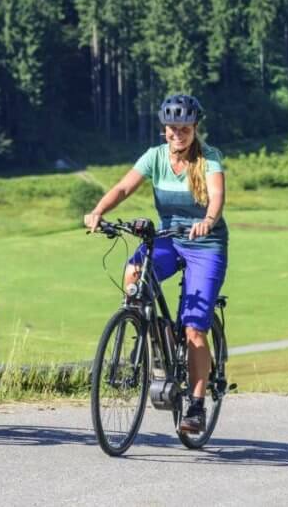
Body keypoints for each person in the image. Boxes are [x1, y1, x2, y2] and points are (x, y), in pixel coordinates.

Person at [84, 95, 228, 434]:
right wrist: (98, 211)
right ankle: (152, 335)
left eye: (185, 128)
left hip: (205, 244)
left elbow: (217, 196)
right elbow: (123, 187)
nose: (178, 134)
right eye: (172, 128)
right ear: (164, 130)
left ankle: (195, 403)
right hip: (168, 238)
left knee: (194, 328)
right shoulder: (155, 156)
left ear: (195, 129)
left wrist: (208, 219)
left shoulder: (210, 158)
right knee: (134, 273)